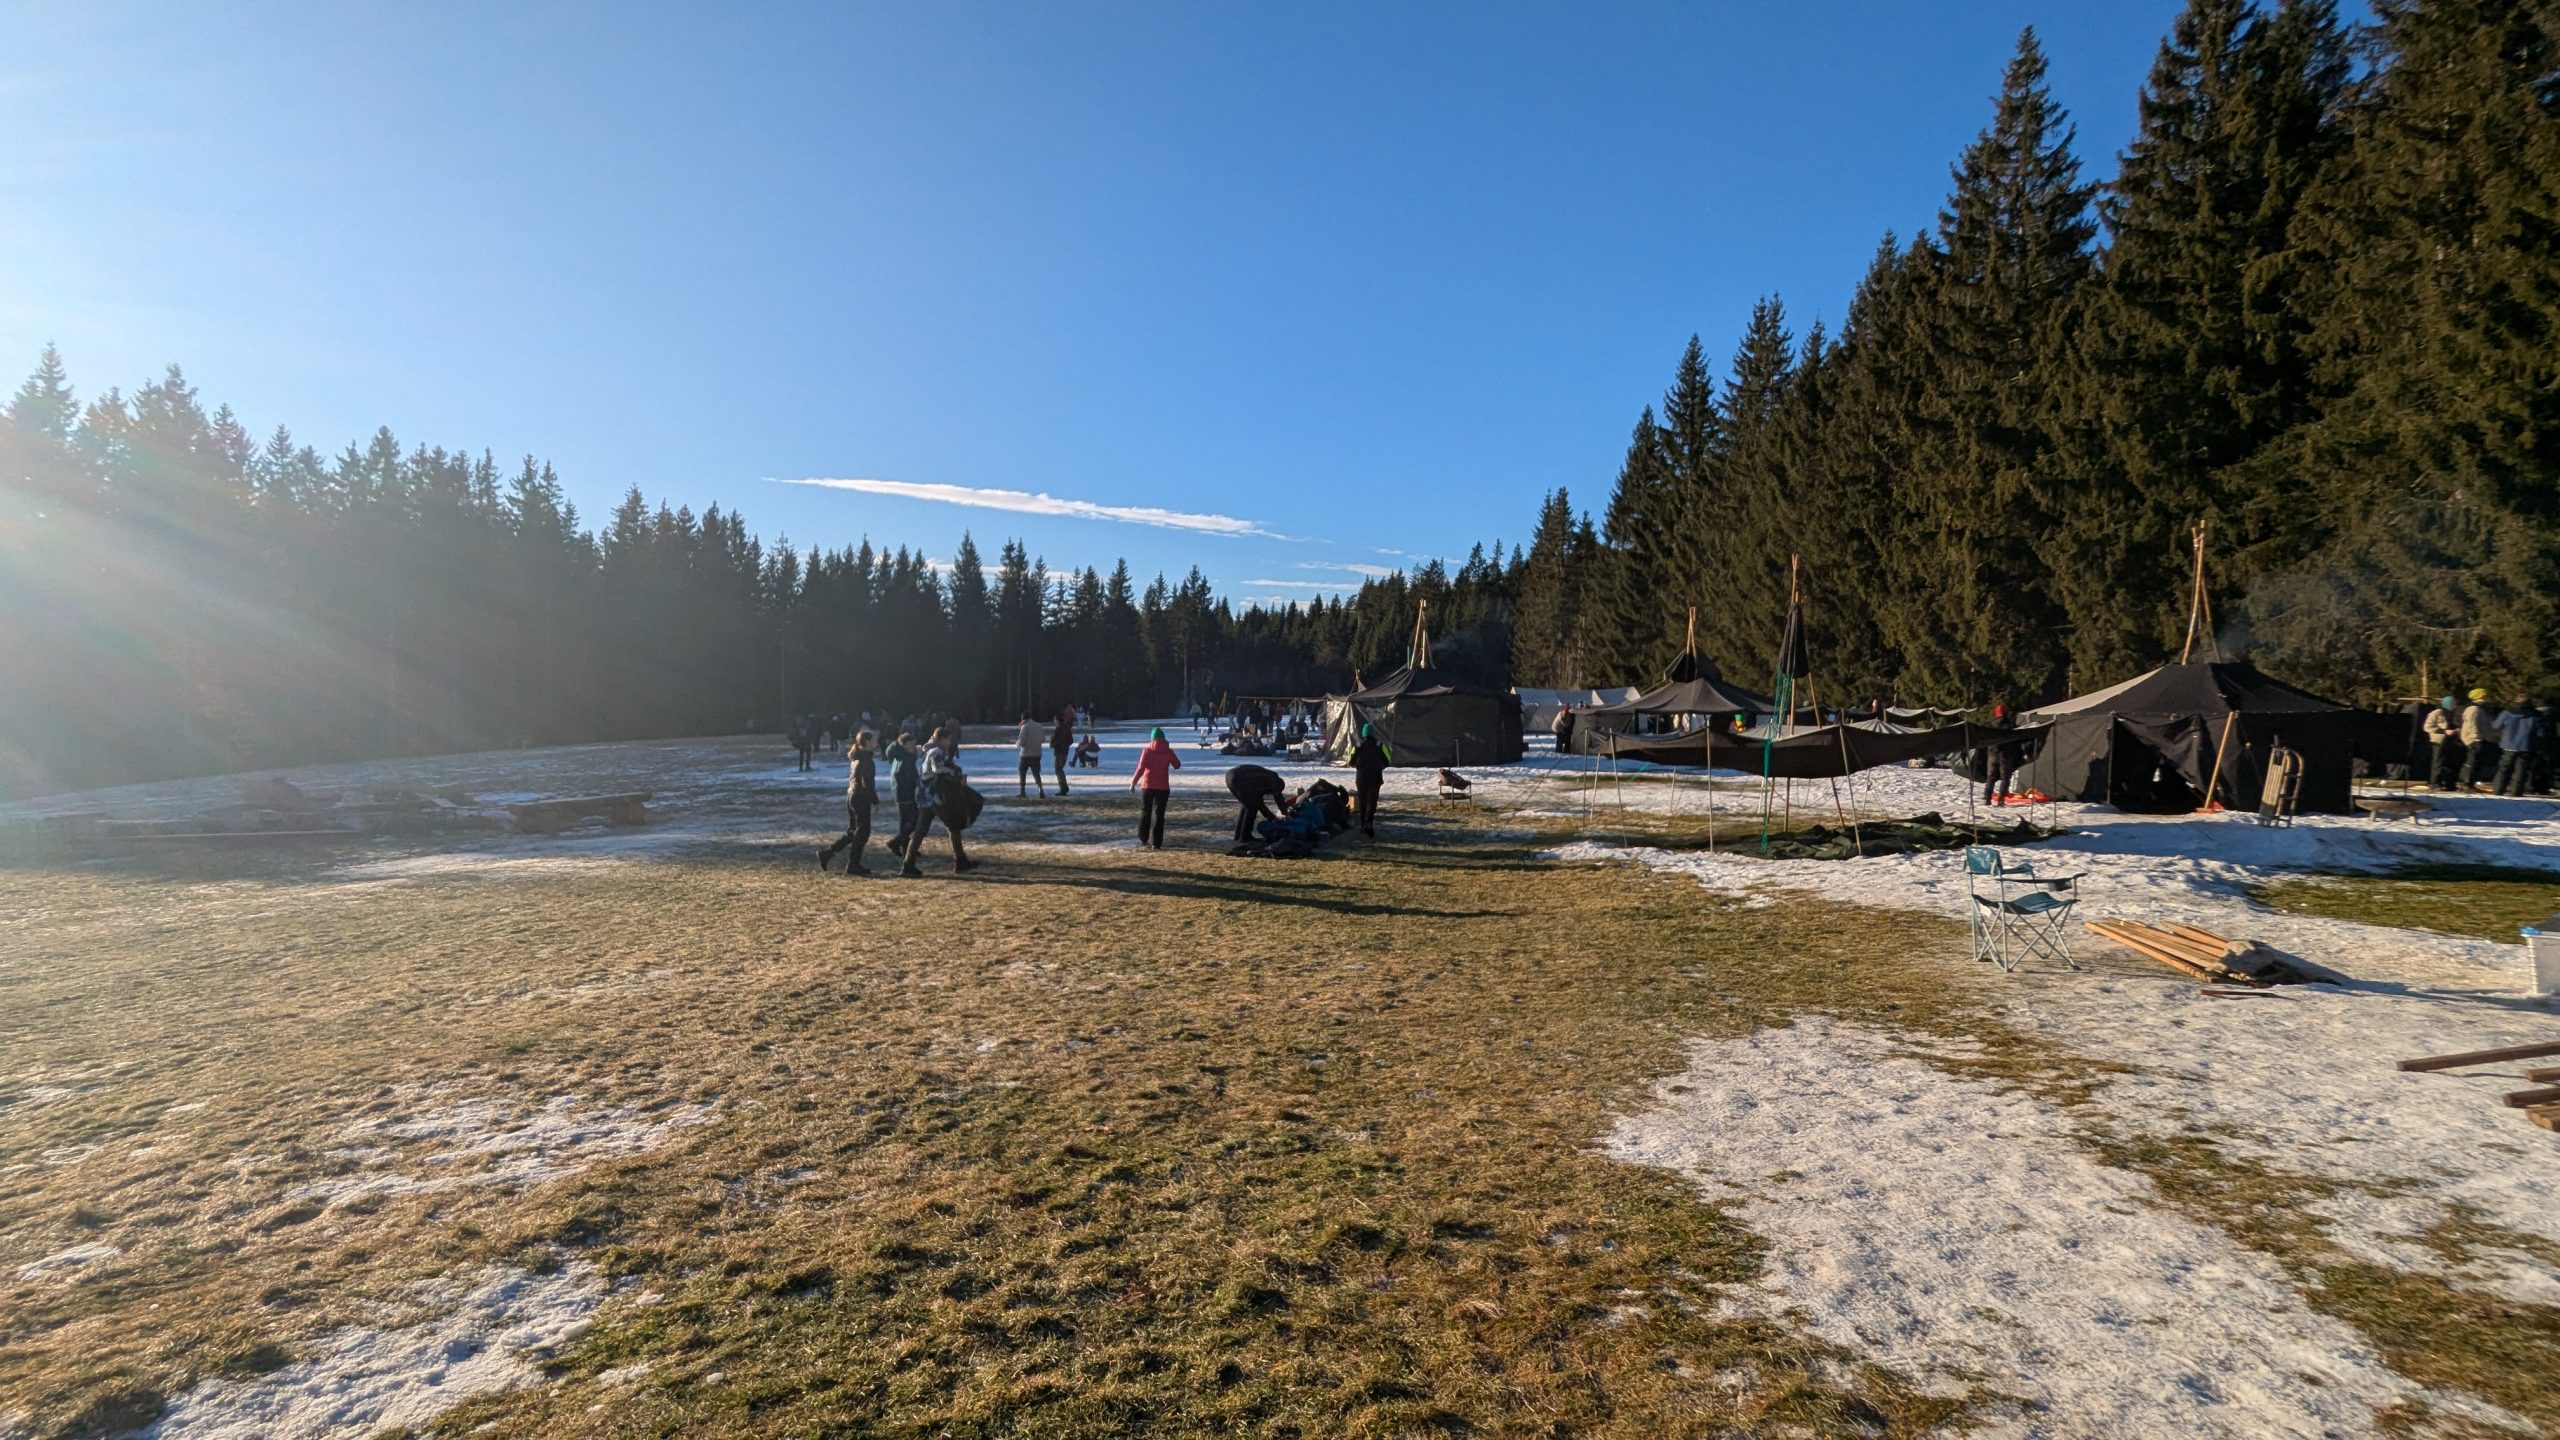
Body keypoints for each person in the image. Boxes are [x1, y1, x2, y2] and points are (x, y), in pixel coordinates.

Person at [902, 729, 979, 876]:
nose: (950, 742)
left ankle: (908, 864)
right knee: (953, 825)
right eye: (948, 739)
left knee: (921, 830)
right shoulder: (936, 751)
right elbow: (937, 769)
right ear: (943, 739)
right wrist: (952, 772)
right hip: (934, 795)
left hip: (926, 795)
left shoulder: (932, 750)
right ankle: (960, 861)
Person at [818, 730, 878, 874]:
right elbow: (866, 783)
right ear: (867, 742)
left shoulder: (857, 756)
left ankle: (827, 854)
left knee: (853, 831)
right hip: (860, 798)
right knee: (862, 832)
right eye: (874, 739)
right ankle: (853, 864)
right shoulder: (866, 759)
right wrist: (875, 801)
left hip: (851, 796)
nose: (876, 741)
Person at [1131, 725, 1180, 849]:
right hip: (1163, 787)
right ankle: (1156, 842)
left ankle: (1143, 837)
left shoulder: (1146, 751)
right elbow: (1177, 765)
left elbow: (1140, 768)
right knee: (1159, 815)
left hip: (1147, 786)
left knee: (1145, 812)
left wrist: (1133, 782)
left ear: (1152, 738)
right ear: (1163, 738)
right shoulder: (1168, 751)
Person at [1226, 763, 1289, 844]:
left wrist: (1276, 815)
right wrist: (1280, 815)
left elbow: (1259, 802)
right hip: (1239, 777)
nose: (1269, 794)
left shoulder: (1262, 782)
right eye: (1272, 792)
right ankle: (1245, 837)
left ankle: (1238, 836)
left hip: (1230, 776)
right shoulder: (1273, 779)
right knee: (1252, 808)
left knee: (1247, 805)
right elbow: (1274, 799)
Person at [883, 730, 922, 859]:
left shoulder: (902, 757)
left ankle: (906, 848)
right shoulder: (904, 759)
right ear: (903, 745)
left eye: (914, 744)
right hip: (905, 794)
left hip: (901, 794)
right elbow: (905, 778)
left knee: (905, 822)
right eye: (910, 744)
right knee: (914, 821)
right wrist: (917, 784)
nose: (913, 747)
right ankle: (896, 842)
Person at [2494, 695, 2542, 797]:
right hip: (2525, 745)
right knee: (2521, 769)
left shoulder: (2506, 712)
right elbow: (2540, 732)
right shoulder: (2534, 715)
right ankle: (2516, 791)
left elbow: (2496, 726)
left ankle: (2498, 789)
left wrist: (2500, 735)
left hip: (2508, 743)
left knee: (2504, 768)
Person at [1348, 723, 1390, 837]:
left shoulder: (1358, 745)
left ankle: (1362, 825)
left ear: (1363, 733)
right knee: (1372, 802)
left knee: (1362, 802)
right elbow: (1387, 761)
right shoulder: (1380, 745)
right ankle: (1369, 824)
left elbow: (1351, 761)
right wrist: (1378, 766)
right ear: (1373, 733)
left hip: (1361, 778)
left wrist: (1359, 765)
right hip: (1375, 777)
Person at [2460, 688, 2498, 791]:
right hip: (2473, 739)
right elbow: (2471, 724)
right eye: (2483, 696)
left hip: (2479, 738)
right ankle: (2466, 782)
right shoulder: (2473, 708)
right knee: (2471, 761)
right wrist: (2475, 736)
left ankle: (2471, 782)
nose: (2485, 698)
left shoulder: (2480, 708)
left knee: (2476, 761)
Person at [1982, 703, 2019, 805]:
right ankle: (2001, 799)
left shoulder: (1990, 725)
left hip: (1992, 755)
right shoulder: (2009, 725)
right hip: (2005, 755)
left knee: (1991, 777)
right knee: (2005, 777)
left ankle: (1987, 798)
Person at [2423, 696, 2461, 791]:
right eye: (2453, 703)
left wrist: (2457, 730)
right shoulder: (2436, 713)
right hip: (2439, 741)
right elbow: (2427, 727)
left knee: (2450, 763)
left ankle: (2449, 784)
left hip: (2451, 741)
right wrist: (2444, 731)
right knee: (2438, 763)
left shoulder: (2455, 714)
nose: (2455, 705)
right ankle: (2434, 783)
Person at [1015, 714, 1047, 797]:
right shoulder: (1039, 726)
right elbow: (1043, 739)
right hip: (1037, 753)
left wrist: (1017, 743)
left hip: (1025, 754)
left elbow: (1021, 741)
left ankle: (1022, 792)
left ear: (1023, 719)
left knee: (1022, 772)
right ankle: (1040, 789)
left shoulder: (1025, 727)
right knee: (1036, 773)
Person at [1051, 701, 1078, 795]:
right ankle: (1064, 787)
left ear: (1057, 721)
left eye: (1054, 720)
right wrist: (1065, 745)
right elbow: (1071, 740)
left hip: (1058, 751)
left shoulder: (1057, 730)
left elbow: (1052, 742)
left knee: (1058, 770)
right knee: (1060, 769)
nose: (1054, 722)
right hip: (1065, 751)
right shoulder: (1067, 729)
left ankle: (1063, 788)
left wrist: (1056, 745)